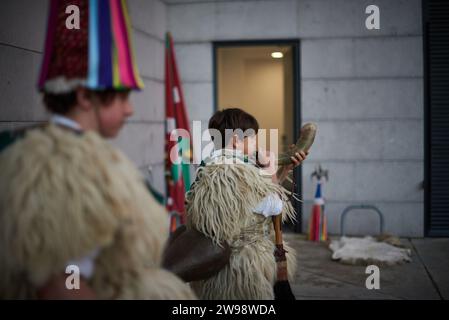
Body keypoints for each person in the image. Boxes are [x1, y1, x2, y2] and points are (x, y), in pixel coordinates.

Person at [0, 0, 195, 299]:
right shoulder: (64, 167)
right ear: (84, 96)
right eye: (122, 97)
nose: (130, 110)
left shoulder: (38, 150)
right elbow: (65, 282)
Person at [185, 108, 307, 299]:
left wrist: (285, 168)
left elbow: (256, 202)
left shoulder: (215, 165)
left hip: (220, 260)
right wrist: (271, 170)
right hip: (242, 267)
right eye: (253, 138)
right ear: (236, 139)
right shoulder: (234, 171)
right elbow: (273, 205)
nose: (256, 143)